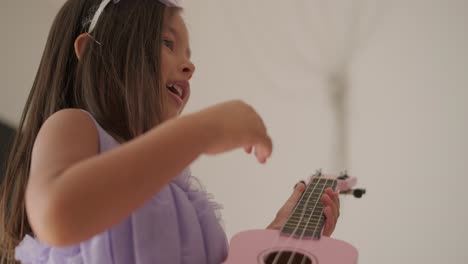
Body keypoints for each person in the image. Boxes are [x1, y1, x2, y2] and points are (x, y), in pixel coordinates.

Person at [0, 0, 341, 263]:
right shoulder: (74, 125)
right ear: (93, 54)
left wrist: (279, 235)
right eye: (167, 42)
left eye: (188, 55)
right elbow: (57, 214)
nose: (189, 66)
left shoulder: (184, 200)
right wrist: (206, 129)